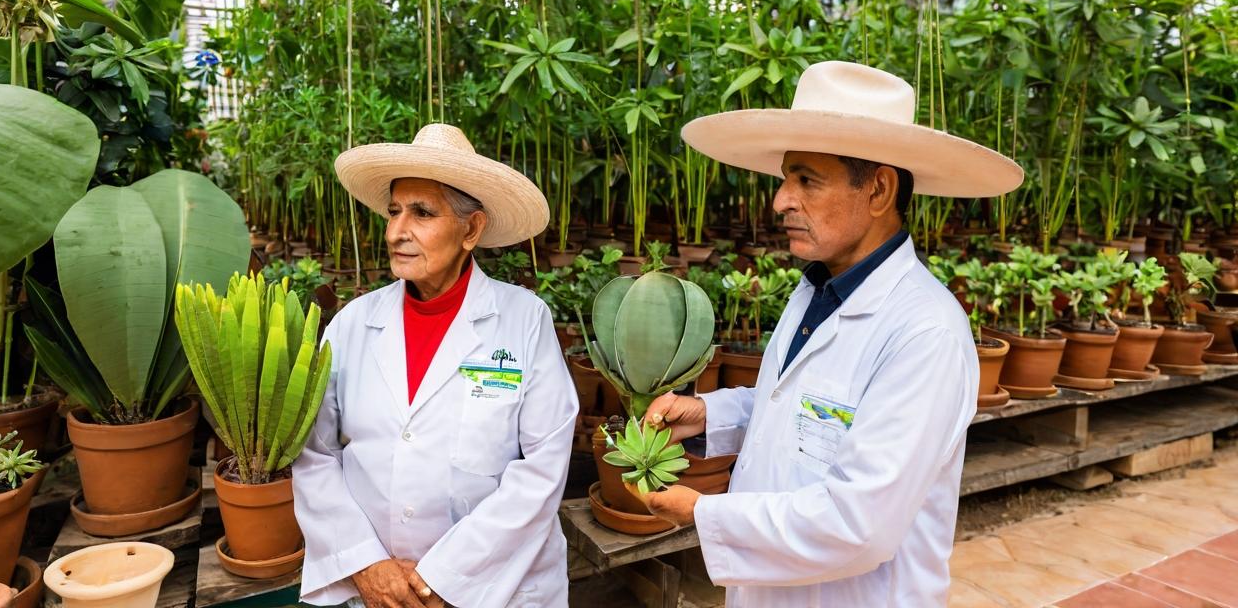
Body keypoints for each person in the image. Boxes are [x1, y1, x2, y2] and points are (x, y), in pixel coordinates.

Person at [640, 61, 1024, 607]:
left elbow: (857, 523)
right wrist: (712, 417)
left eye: (806, 181)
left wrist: (699, 511)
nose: (781, 201)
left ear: (879, 190)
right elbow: (808, 410)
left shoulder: (926, 332)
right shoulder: (818, 288)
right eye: (785, 178)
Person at [294, 124, 578, 608]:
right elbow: (315, 454)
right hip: (376, 585)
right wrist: (366, 564)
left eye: (422, 213)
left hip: (494, 587)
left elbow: (543, 468)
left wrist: (446, 579)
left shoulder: (523, 321)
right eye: (395, 211)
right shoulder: (353, 324)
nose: (396, 231)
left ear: (471, 230)